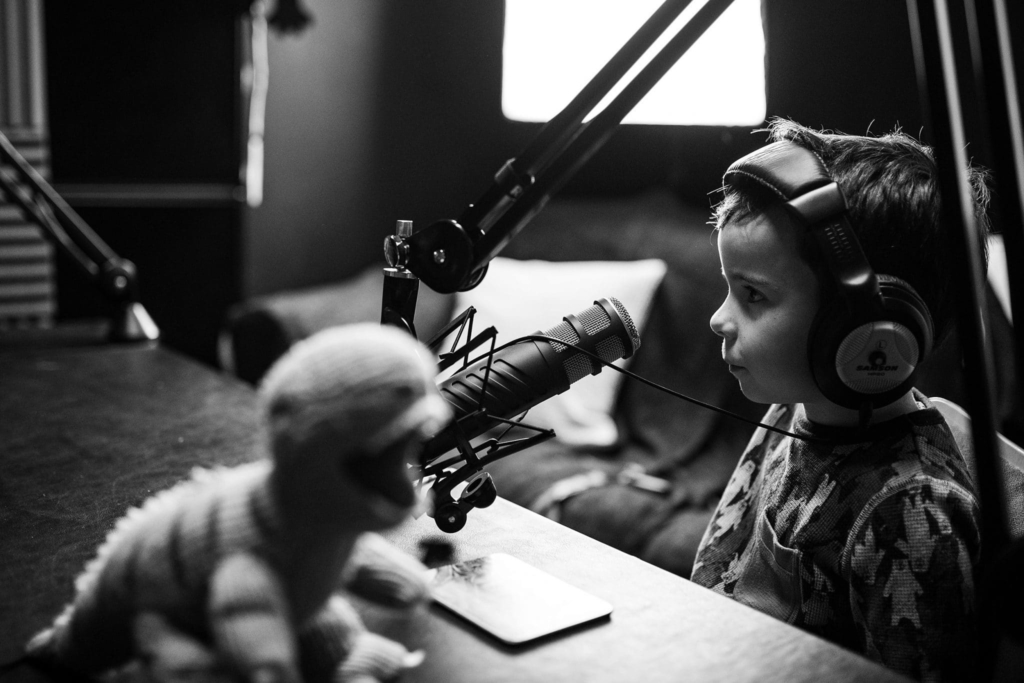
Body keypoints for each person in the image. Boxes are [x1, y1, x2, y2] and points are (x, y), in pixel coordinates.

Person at [690, 118, 991, 682]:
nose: (719, 319)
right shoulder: (789, 409)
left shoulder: (910, 510)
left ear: (867, 328)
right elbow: (716, 579)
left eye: (753, 295)